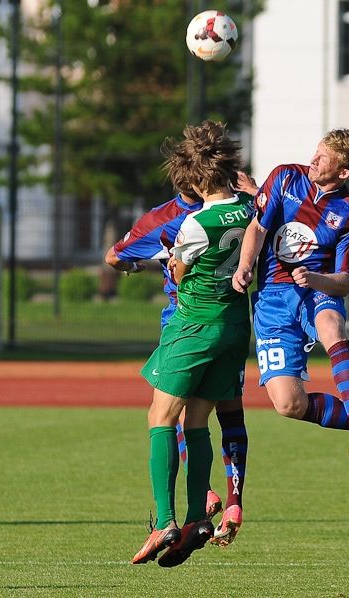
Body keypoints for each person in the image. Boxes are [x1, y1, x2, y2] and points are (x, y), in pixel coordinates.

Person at [232, 129, 349, 464]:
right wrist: (246, 266)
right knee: (288, 404)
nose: (314, 159)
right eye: (317, 151)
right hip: (272, 300)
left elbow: (345, 282)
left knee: (332, 326)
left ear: (344, 172)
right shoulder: (286, 177)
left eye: (324, 157)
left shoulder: (347, 213)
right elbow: (259, 227)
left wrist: (315, 279)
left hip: (316, 291)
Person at [105, 168, 257, 548]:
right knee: (212, 416)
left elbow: (116, 257)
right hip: (235, 323)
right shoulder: (249, 205)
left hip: (189, 322)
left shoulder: (177, 221)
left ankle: (167, 520)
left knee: (162, 415)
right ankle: (207, 512)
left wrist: (136, 265)